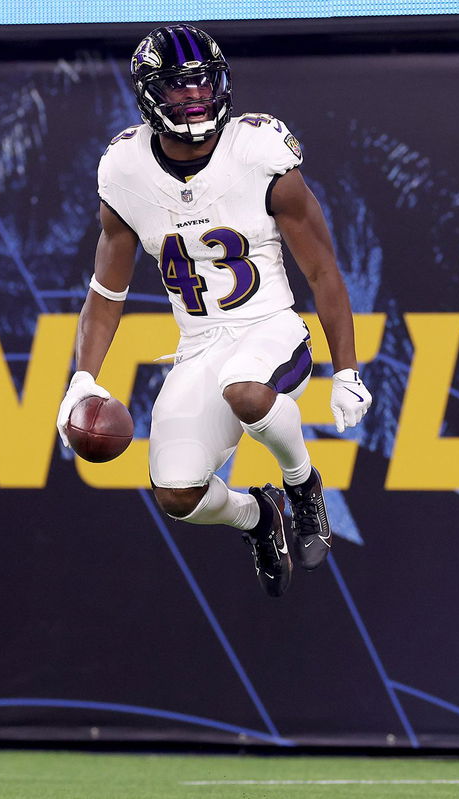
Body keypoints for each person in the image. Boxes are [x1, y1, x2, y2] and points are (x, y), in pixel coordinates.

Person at [56, 24, 371, 598]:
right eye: (180, 88)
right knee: (177, 492)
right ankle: (258, 516)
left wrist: (347, 370)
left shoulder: (257, 152)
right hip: (200, 345)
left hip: (270, 328)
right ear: (151, 95)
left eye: (204, 83)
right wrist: (82, 379)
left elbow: (323, 270)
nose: (196, 97)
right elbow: (107, 292)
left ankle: (302, 485)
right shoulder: (125, 170)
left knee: (245, 389)